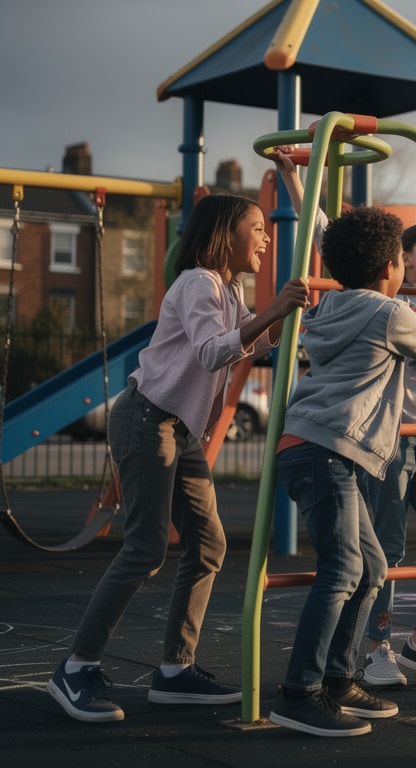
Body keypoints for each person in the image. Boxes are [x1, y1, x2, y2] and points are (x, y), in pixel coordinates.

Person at [47, 194, 309, 723]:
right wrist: (275, 309)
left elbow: (251, 349)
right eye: (256, 228)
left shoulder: (228, 289)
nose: (264, 238)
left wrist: (287, 316)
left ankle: (175, 670)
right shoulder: (197, 283)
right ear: (223, 234)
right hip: (148, 418)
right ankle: (75, 667)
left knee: (208, 544)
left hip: (179, 428)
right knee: (145, 547)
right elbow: (214, 351)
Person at [272, 149, 416, 688]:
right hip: (365, 441)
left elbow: (330, 242)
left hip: (390, 439)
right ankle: (334, 672)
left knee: (394, 557)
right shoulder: (391, 308)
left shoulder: (351, 301)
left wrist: (294, 177)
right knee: (359, 564)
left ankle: (392, 655)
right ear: (395, 260)